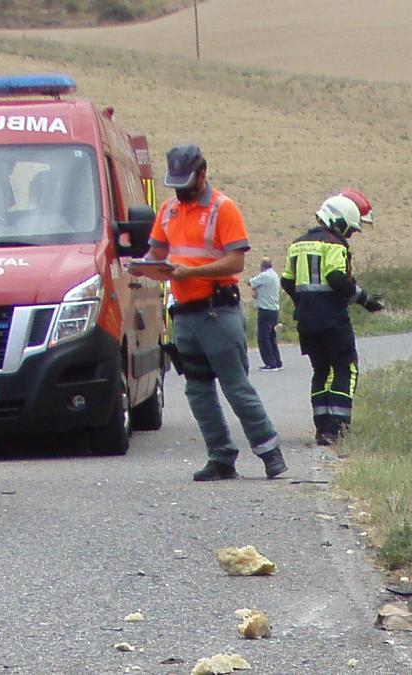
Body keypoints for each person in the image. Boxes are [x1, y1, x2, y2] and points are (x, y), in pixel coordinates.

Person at [131, 143, 287, 481]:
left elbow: (236, 261)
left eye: (186, 183)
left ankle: (269, 452)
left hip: (218, 311)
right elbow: (156, 251)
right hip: (184, 315)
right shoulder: (169, 210)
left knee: (235, 387)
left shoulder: (222, 208)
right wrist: (141, 267)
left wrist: (190, 273)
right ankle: (220, 458)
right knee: (198, 390)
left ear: (203, 174)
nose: (181, 191)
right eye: (175, 185)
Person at [281, 191, 384, 446]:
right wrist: (364, 299)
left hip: (306, 321)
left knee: (321, 371)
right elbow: (337, 278)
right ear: (339, 222)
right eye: (349, 230)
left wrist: (302, 302)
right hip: (332, 320)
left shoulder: (297, 244)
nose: (349, 235)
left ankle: (322, 429)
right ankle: (337, 430)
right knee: (345, 368)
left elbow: (286, 280)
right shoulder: (335, 245)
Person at [248, 257, 283, 371]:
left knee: (263, 338)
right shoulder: (274, 275)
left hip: (265, 310)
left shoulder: (265, 276)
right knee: (271, 337)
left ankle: (270, 363)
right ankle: (277, 361)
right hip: (273, 310)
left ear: (262, 266)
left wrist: (252, 283)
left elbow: (251, 282)